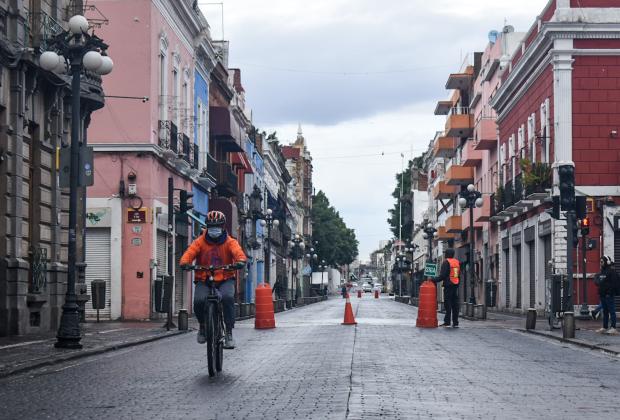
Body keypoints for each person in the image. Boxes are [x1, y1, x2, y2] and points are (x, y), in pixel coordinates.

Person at [180, 210, 247, 349]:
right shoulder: (199, 242)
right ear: (207, 227)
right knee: (198, 301)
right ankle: (203, 326)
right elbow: (189, 253)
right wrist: (185, 262)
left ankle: (228, 332)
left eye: (217, 226)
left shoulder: (230, 242)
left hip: (225, 278)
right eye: (211, 226)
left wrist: (240, 261)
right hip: (204, 279)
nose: (214, 229)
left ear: (223, 227)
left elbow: (238, 253)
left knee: (228, 298)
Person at [434, 248, 461, 328]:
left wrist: (433, 280)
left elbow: (443, 275)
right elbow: (457, 274)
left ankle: (447, 322)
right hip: (455, 284)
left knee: (447, 304)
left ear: (447, 254)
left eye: (445, 253)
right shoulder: (456, 262)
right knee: (455, 304)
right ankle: (455, 322)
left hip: (448, 285)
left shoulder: (446, 262)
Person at [595, 255, 618, 335]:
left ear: (606, 262)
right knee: (605, 312)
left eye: (602, 261)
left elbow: (614, 284)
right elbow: (600, 281)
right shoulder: (602, 271)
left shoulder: (612, 271)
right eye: (600, 261)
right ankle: (605, 327)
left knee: (612, 311)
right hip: (602, 295)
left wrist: (609, 293)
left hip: (608, 295)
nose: (600, 263)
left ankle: (613, 328)